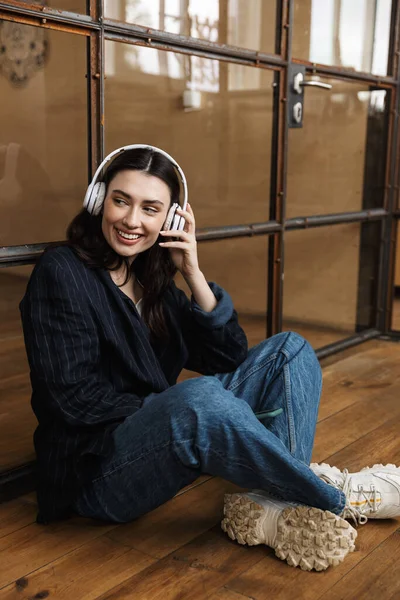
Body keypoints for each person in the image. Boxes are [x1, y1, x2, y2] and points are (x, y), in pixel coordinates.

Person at [20, 145, 400, 573]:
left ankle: (274, 505)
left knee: (288, 349)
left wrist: (192, 271)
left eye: (151, 208)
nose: (131, 220)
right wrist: (180, 414)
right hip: (96, 472)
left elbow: (230, 354)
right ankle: (339, 496)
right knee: (199, 400)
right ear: (98, 200)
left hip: (161, 435)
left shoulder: (153, 278)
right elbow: (71, 398)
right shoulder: (62, 271)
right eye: (121, 200)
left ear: (171, 219)